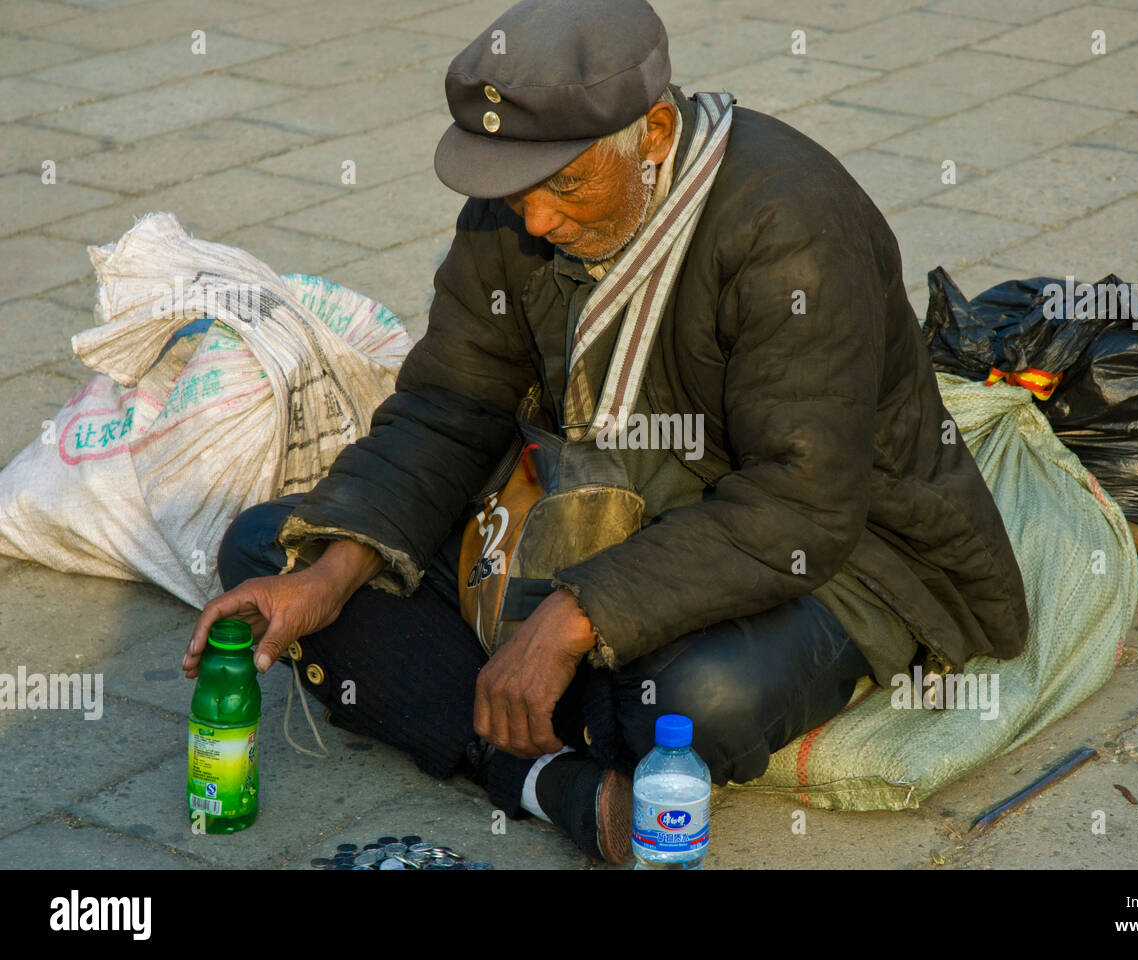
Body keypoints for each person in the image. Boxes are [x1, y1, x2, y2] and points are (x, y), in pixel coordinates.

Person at [184, 0, 1030, 865]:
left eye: (567, 185)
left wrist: (572, 616)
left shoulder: (793, 224)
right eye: (517, 190)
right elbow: (450, 406)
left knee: (694, 698)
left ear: (654, 131)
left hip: (834, 548)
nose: (537, 220)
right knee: (269, 557)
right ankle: (554, 782)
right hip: (599, 500)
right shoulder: (511, 209)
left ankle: (521, 722)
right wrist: (335, 570)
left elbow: (801, 505)